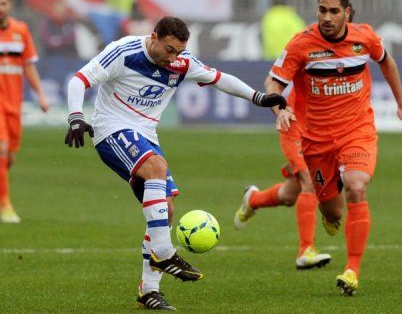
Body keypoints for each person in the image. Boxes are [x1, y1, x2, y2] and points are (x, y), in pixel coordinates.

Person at [64, 16, 286, 310]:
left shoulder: (181, 61)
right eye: (169, 49)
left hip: (146, 135)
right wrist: (76, 117)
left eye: (179, 51)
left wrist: (257, 97)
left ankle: (149, 291)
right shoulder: (124, 51)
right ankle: (165, 252)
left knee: (165, 212)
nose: (174, 58)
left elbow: (219, 79)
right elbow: (78, 80)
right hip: (111, 129)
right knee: (157, 167)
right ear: (154, 36)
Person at [239, 0, 402, 295]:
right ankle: (288, 207)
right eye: (322, 10)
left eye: (334, 11)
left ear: (346, 12)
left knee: (357, 186)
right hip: (316, 141)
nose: (327, 17)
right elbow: (273, 81)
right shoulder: (301, 45)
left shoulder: (365, 38)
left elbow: (386, 61)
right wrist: (278, 107)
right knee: (332, 211)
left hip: (357, 132)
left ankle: (351, 270)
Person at [235, 5, 356, 270]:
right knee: (309, 183)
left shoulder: (353, 56)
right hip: (296, 127)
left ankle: (253, 200)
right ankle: (306, 251)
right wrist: (280, 109)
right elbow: (274, 81)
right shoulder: (307, 46)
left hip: (324, 134)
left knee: (293, 193)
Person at [0, 0, 49, 223]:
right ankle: (5, 205)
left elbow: (28, 65)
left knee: (9, 157)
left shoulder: (20, 30)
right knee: (1, 151)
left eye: (3, 3)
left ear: (9, 5)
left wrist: (40, 94)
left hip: (13, 103)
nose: (0, 9)